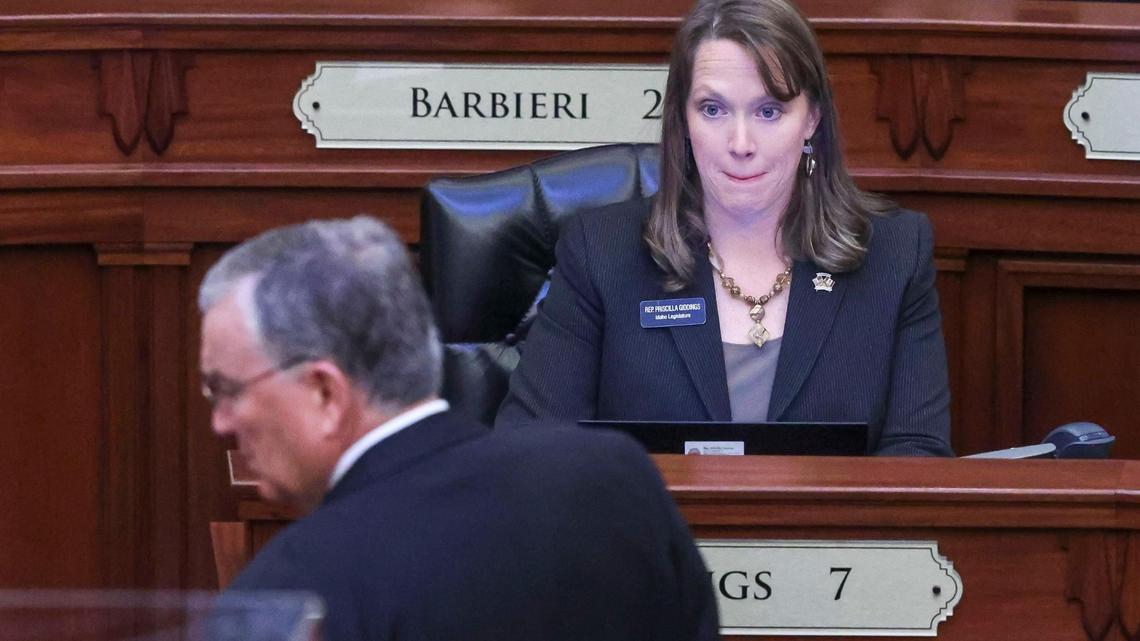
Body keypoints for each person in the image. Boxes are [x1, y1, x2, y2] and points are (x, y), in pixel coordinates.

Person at [197, 216, 719, 641]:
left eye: (226, 388)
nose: (220, 421)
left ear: (325, 394)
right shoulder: (614, 477)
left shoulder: (292, 598)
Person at [496, 0, 952, 457]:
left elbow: (916, 454)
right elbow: (530, 448)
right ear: (683, 119)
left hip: (831, 531)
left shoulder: (894, 253)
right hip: (647, 527)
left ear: (811, 119)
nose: (740, 144)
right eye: (713, 110)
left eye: (769, 111)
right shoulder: (601, 252)